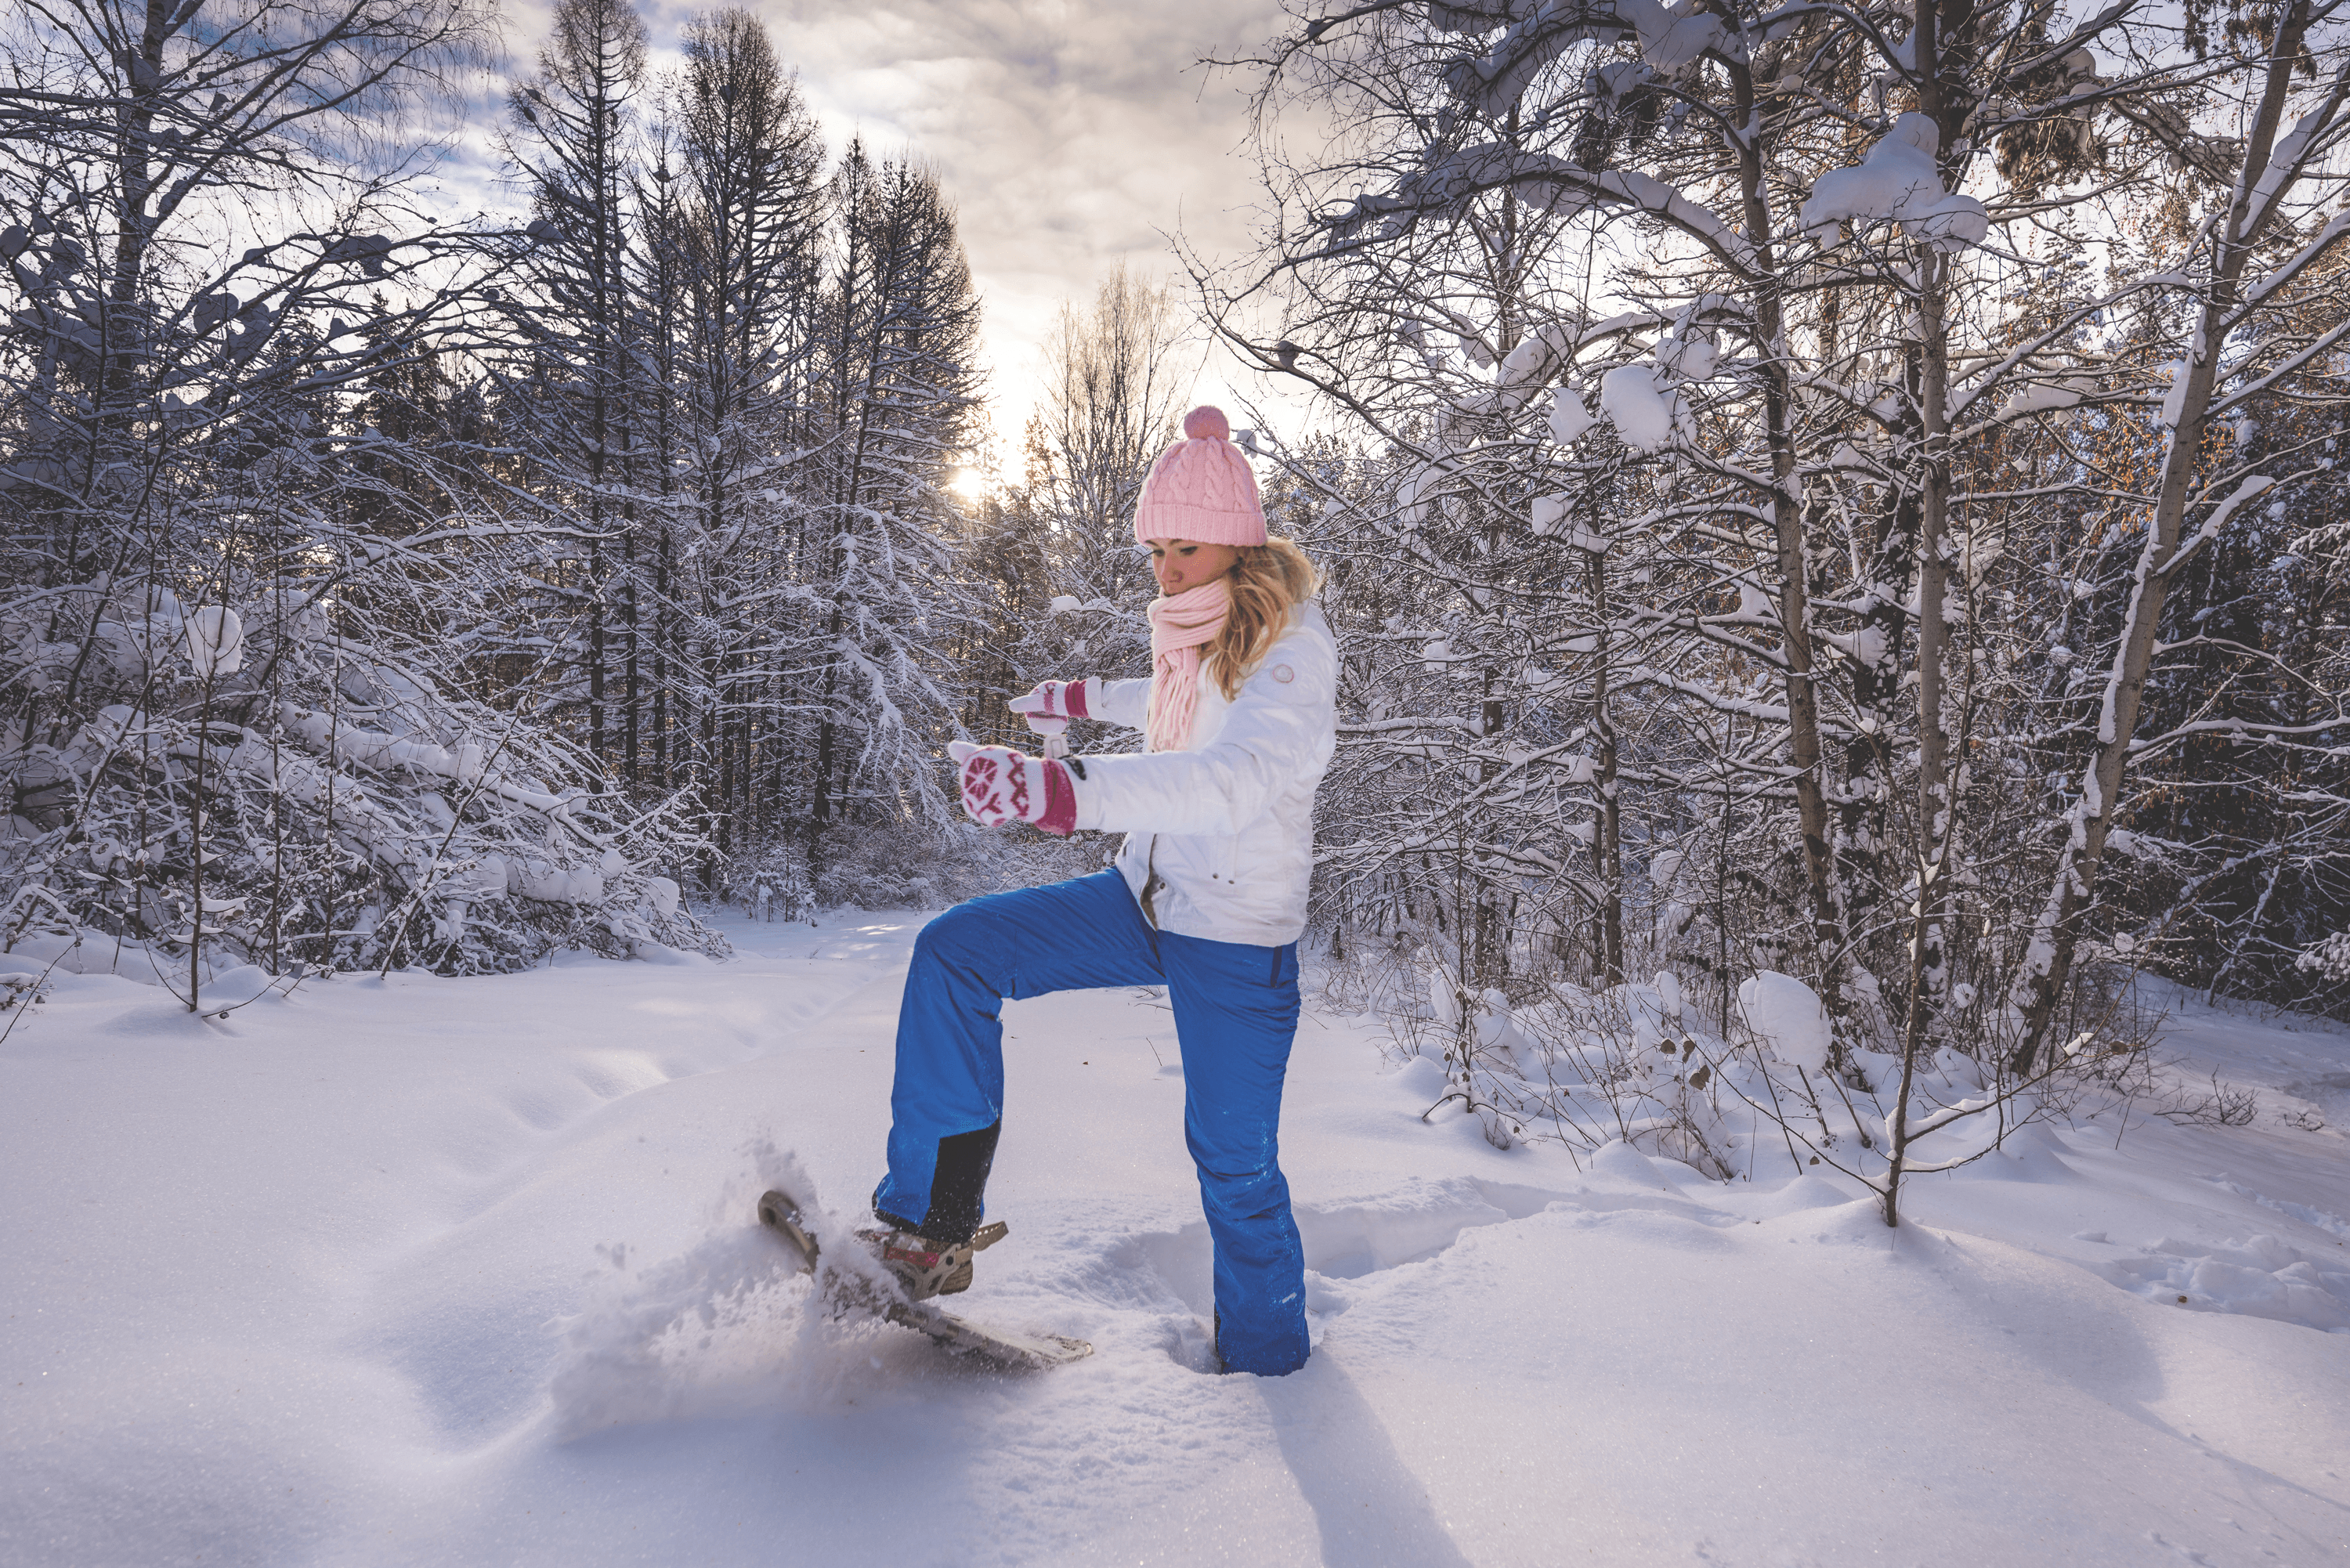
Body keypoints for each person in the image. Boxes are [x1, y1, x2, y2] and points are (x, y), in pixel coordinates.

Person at [863, 405, 1336, 1377]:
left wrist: (1062, 788)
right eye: (1155, 549)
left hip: (1235, 941)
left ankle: (1268, 1369)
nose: (1164, 570)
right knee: (958, 951)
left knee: (1235, 1172)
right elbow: (1173, 706)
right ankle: (929, 1226)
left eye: (1184, 548)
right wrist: (1084, 701)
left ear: (1239, 545)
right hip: (1142, 899)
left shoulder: (1291, 654)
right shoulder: (1194, 632)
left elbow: (1229, 777)